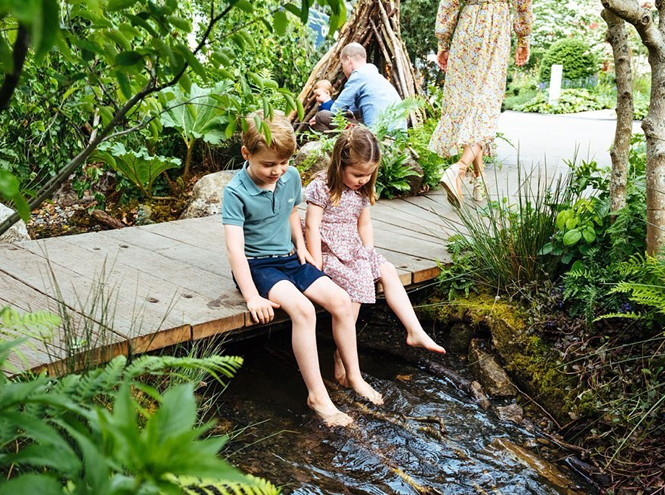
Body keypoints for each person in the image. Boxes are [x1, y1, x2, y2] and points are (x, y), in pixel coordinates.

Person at [222, 112, 382, 427]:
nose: (277, 171)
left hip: (291, 258)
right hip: (258, 267)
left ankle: (354, 375)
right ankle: (317, 396)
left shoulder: (290, 176)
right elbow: (235, 249)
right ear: (246, 154)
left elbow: (293, 213)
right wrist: (253, 296)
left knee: (339, 300)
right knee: (304, 311)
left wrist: (304, 248)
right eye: (268, 165)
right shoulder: (235, 192)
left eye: (283, 163)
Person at [304, 126, 446, 388]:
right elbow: (311, 225)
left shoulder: (361, 190)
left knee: (388, 270)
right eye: (357, 174)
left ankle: (414, 330)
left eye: (368, 175)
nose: (363, 180)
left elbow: (364, 225)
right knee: (357, 287)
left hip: (354, 246)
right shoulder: (321, 187)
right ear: (339, 164)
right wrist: (317, 262)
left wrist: (368, 252)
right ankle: (342, 355)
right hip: (328, 249)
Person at [429, 0, 532, 206]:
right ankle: (458, 170)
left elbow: (449, 2)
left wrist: (443, 42)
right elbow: (523, 3)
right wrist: (523, 39)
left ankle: (479, 179)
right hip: (495, 29)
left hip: (467, 28)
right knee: (486, 106)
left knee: (470, 105)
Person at [312, 43, 405, 132]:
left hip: (377, 136)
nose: (343, 70)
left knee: (321, 116)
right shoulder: (372, 74)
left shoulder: (359, 75)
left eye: (342, 65)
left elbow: (336, 110)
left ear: (348, 60)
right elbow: (352, 110)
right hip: (395, 136)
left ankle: (330, 147)